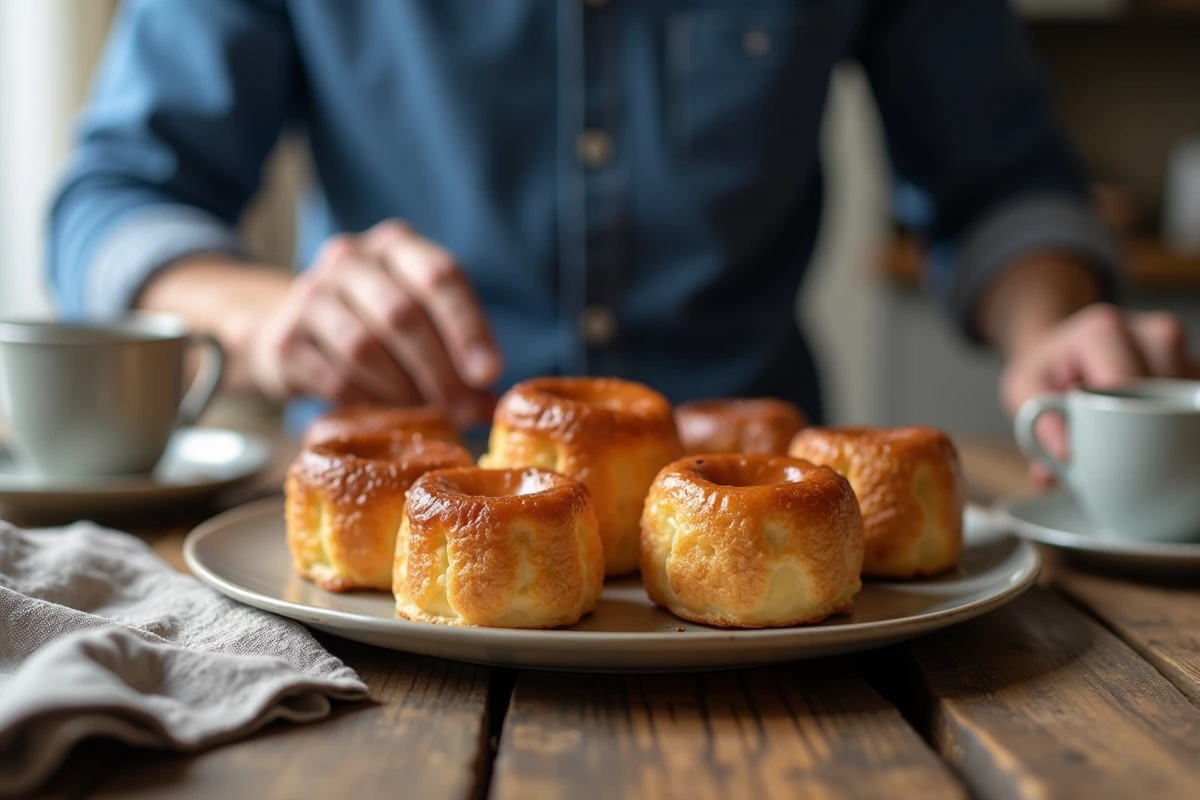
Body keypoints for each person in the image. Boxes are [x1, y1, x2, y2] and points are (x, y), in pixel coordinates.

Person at [49, 0, 1198, 459]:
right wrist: (271, 319)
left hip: (767, 550)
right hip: (391, 543)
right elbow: (111, 201)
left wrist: (1057, 323)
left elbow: (1003, 182)